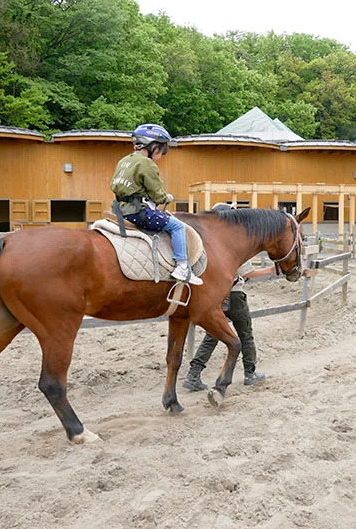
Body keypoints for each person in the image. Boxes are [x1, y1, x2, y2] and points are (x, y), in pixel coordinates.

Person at [183, 203, 274, 390]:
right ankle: (250, 373)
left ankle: (193, 375)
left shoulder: (208, 243)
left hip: (217, 297)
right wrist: (271, 270)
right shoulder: (230, 246)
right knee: (245, 334)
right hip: (234, 295)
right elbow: (247, 272)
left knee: (212, 336)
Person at [110, 123, 202, 285]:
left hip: (119, 210)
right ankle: (182, 267)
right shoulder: (147, 163)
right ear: (152, 146)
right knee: (177, 227)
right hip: (138, 212)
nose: (162, 153)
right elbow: (157, 194)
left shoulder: (124, 161)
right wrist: (167, 198)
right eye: (162, 149)